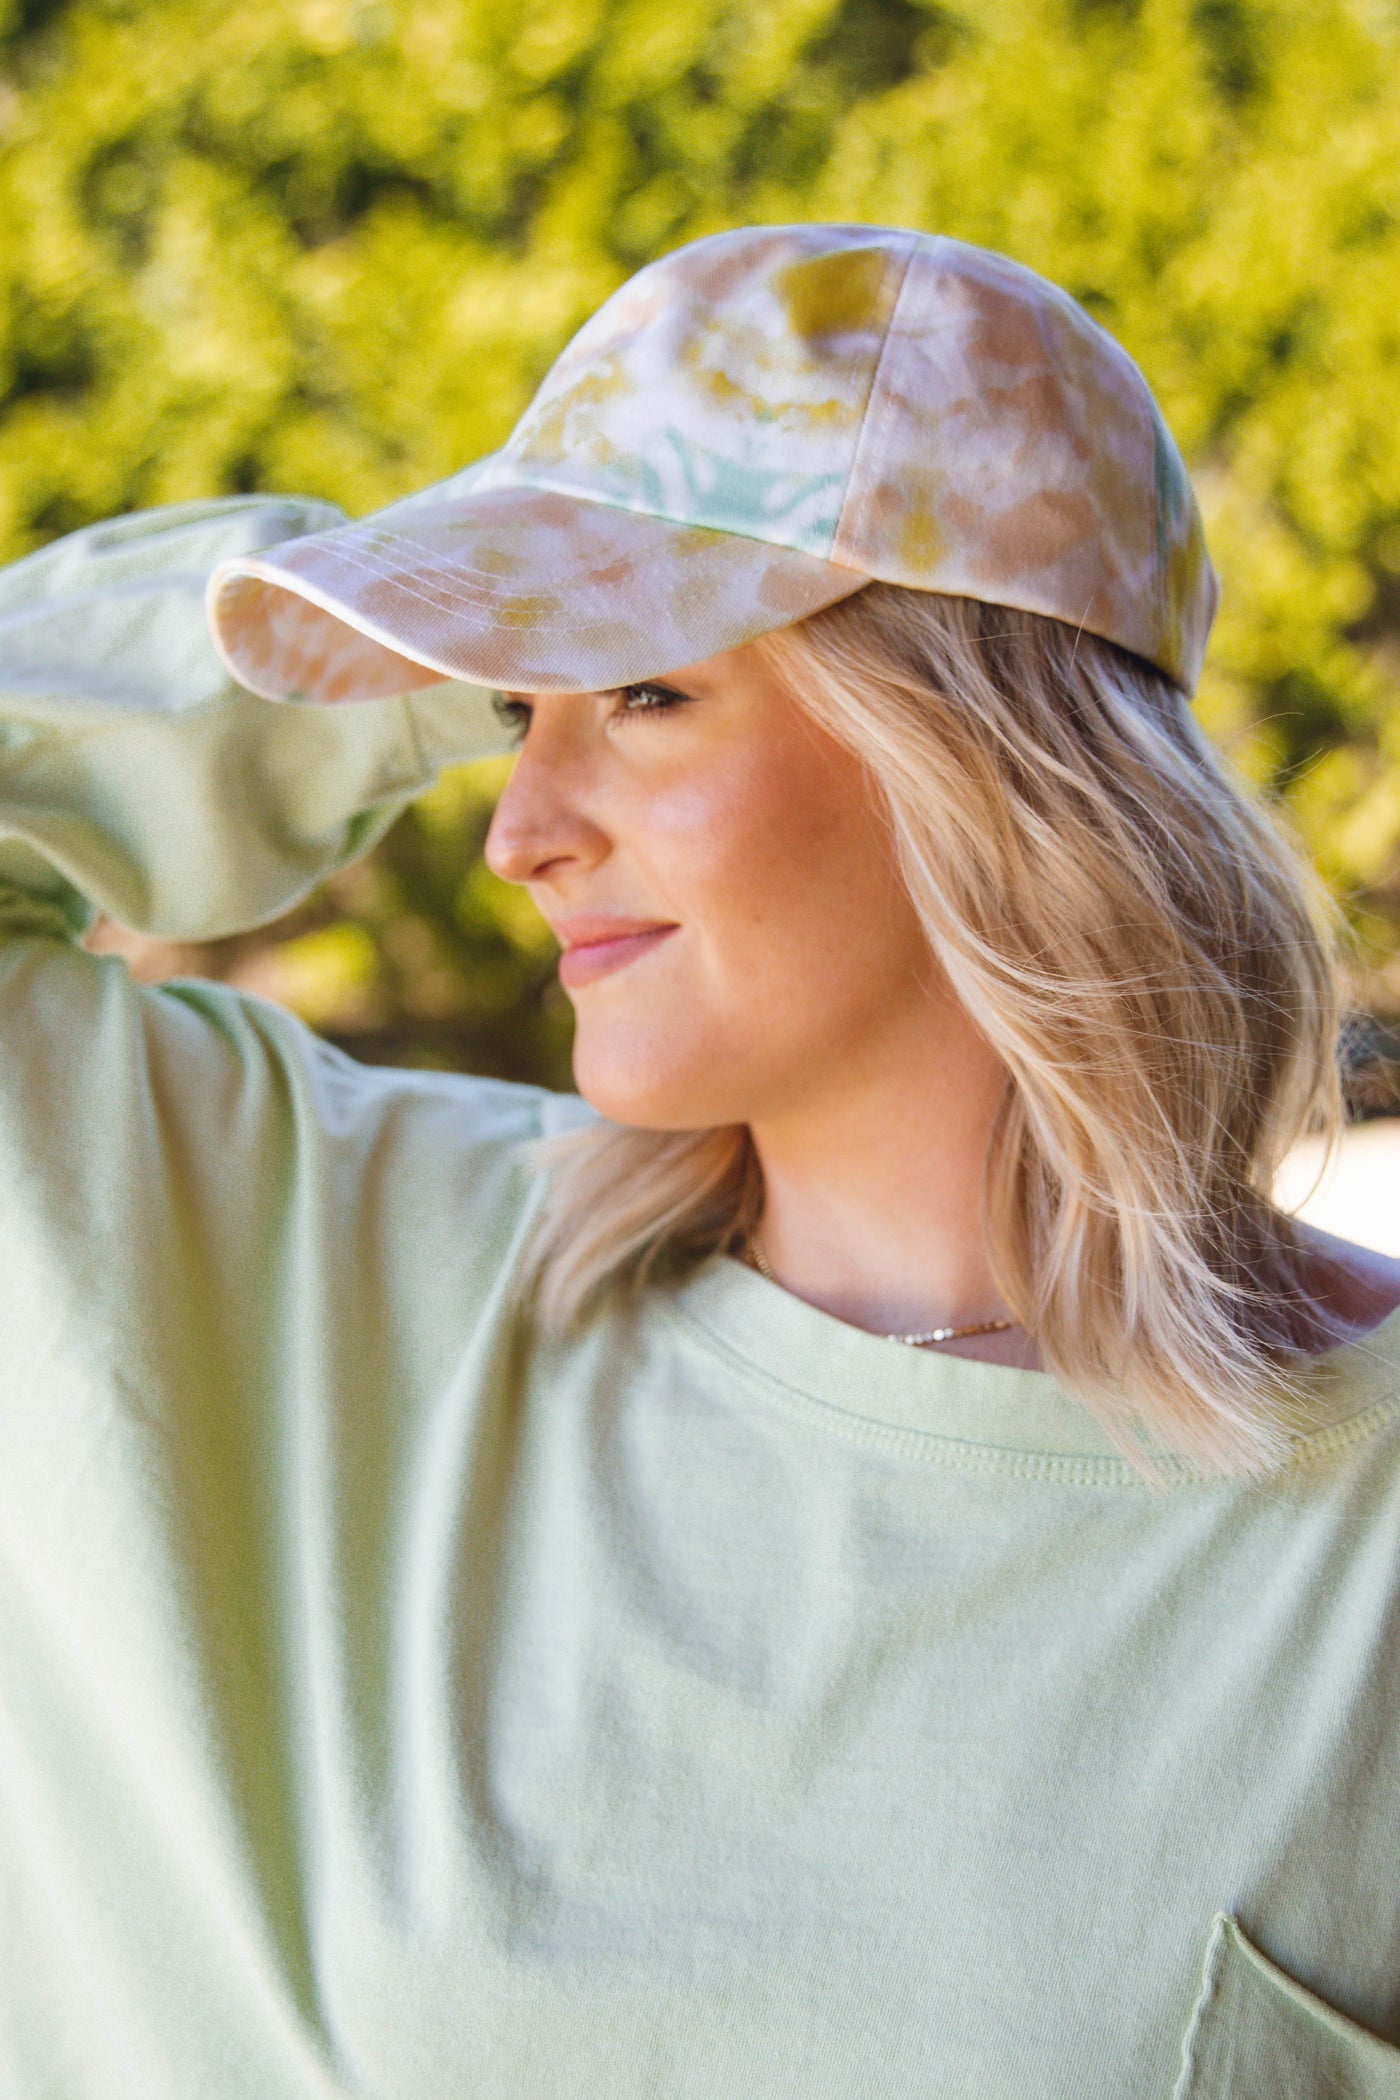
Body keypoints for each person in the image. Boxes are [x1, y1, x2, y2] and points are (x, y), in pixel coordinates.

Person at [1, 223, 1398, 2098]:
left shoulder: (1359, 1537)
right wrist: (427, 641)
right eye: (515, 719)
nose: (517, 830)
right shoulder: (317, 1258)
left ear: (974, 749)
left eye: (645, 695)